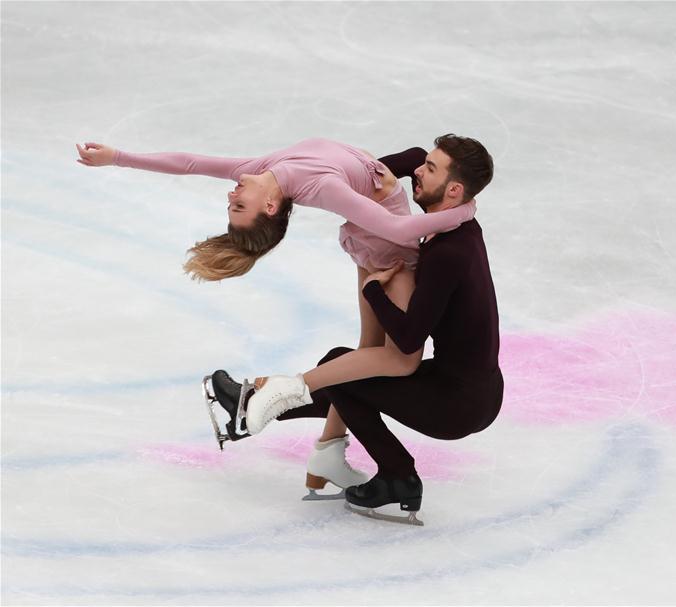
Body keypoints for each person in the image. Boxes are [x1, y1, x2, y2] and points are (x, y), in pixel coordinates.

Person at [75, 136, 476, 493]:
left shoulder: (258, 171)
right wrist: (461, 213)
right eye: (239, 206)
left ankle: (327, 452)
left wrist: (118, 157)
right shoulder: (321, 187)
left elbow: (190, 163)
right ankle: (277, 394)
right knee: (398, 359)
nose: (230, 196)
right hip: (391, 258)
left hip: (370, 246)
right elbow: (401, 231)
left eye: (232, 205)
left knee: (365, 357)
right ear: (270, 206)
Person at [248, 136, 503, 524]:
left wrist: (373, 292)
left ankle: (398, 476)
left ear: (454, 191)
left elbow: (407, 339)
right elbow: (403, 161)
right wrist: (369, 182)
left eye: (430, 170)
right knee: (349, 372)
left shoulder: (448, 253)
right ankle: (280, 416)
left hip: (457, 405)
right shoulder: (454, 225)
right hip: (470, 384)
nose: (417, 171)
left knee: (343, 370)